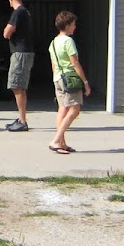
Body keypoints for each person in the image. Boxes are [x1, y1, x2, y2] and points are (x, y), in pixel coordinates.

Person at [47, 11, 89, 153]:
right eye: (73, 24)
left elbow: (53, 64)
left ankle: (62, 143)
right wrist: (85, 81)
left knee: (62, 109)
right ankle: (56, 140)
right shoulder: (68, 41)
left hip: (58, 78)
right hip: (69, 78)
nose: (75, 27)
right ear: (67, 25)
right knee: (75, 109)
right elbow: (75, 62)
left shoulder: (53, 42)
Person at [3, 0, 34, 132]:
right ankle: (21, 118)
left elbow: (7, 32)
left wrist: (6, 32)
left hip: (20, 53)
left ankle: (23, 121)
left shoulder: (18, 12)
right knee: (18, 86)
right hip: (24, 52)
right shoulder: (25, 12)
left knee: (17, 85)